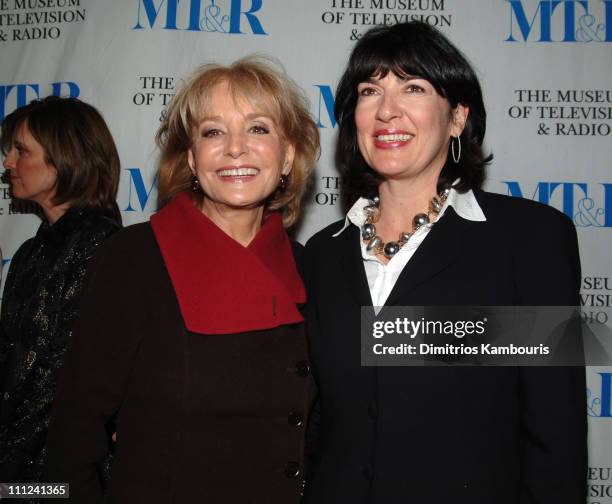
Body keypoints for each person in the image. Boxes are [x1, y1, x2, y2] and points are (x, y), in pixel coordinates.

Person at [303, 21, 586, 504]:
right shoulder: (321, 254)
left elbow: (554, 433)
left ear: (457, 117)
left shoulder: (527, 240)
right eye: (370, 91)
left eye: (413, 87)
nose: (387, 110)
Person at [45, 57, 320, 503]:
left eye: (258, 128)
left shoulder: (308, 267)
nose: (235, 148)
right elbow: (73, 435)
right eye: (213, 131)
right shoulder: (134, 258)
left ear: (287, 155)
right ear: (191, 158)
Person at [0, 97, 122, 485]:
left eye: (21, 151)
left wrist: (8, 466)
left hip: (63, 471)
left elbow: (64, 376)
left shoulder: (103, 245)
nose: (8, 164)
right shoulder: (29, 253)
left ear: (63, 157)